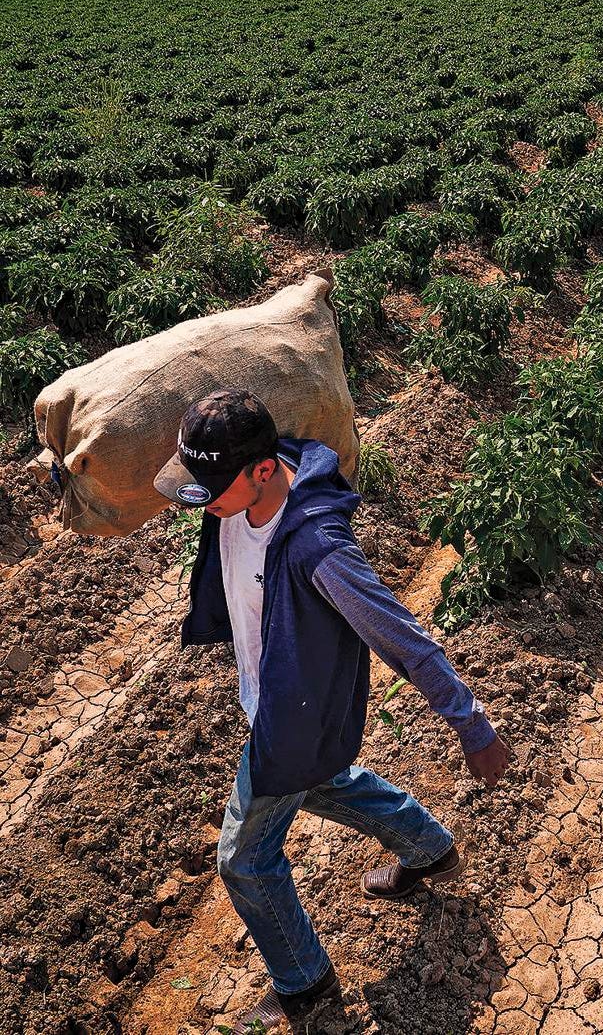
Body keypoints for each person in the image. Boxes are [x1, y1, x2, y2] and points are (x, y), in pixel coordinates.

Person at [153, 389, 512, 1034]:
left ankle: (303, 981)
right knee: (324, 780)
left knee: (244, 858)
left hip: (293, 714)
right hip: (283, 697)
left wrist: (472, 725)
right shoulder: (244, 485)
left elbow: (402, 636)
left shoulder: (321, 551)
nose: (199, 502)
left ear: (264, 472)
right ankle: (426, 847)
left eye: (211, 486)